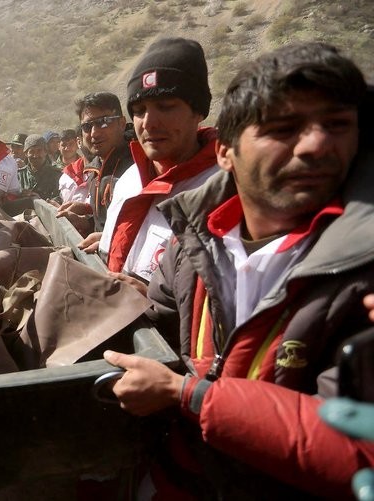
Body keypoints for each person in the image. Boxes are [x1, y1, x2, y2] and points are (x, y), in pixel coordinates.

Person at [104, 42, 374, 499]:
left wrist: (188, 394)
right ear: (228, 152)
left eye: (336, 126)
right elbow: (161, 334)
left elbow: (356, 447)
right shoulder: (189, 246)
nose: (315, 145)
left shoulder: (360, 271)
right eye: (284, 129)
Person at [97, 38, 219, 295]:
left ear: (198, 111)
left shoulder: (222, 193)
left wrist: (150, 300)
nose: (149, 122)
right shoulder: (130, 179)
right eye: (139, 110)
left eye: (165, 106)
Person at [55, 92, 133, 236]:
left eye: (104, 122)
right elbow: (104, 225)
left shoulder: (138, 166)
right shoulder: (95, 168)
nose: (94, 133)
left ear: (122, 123)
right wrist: (85, 220)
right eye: (87, 126)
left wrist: (106, 240)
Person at [17, 134, 61, 201]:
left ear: (45, 152)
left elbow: (59, 200)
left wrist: (40, 200)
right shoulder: (18, 175)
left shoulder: (57, 175)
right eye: (31, 151)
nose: (35, 155)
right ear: (26, 153)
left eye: (39, 151)